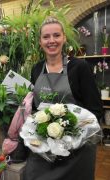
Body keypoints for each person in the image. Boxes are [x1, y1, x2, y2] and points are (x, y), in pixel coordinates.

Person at [23, 17, 103, 180]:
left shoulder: (79, 68)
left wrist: (69, 134)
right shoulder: (37, 68)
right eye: (46, 37)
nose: (51, 41)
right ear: (40, 41)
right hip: (45, 147)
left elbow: (95, 110)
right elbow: (35, 108)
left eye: (56, 35)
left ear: (64, 37)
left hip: (76, 150)